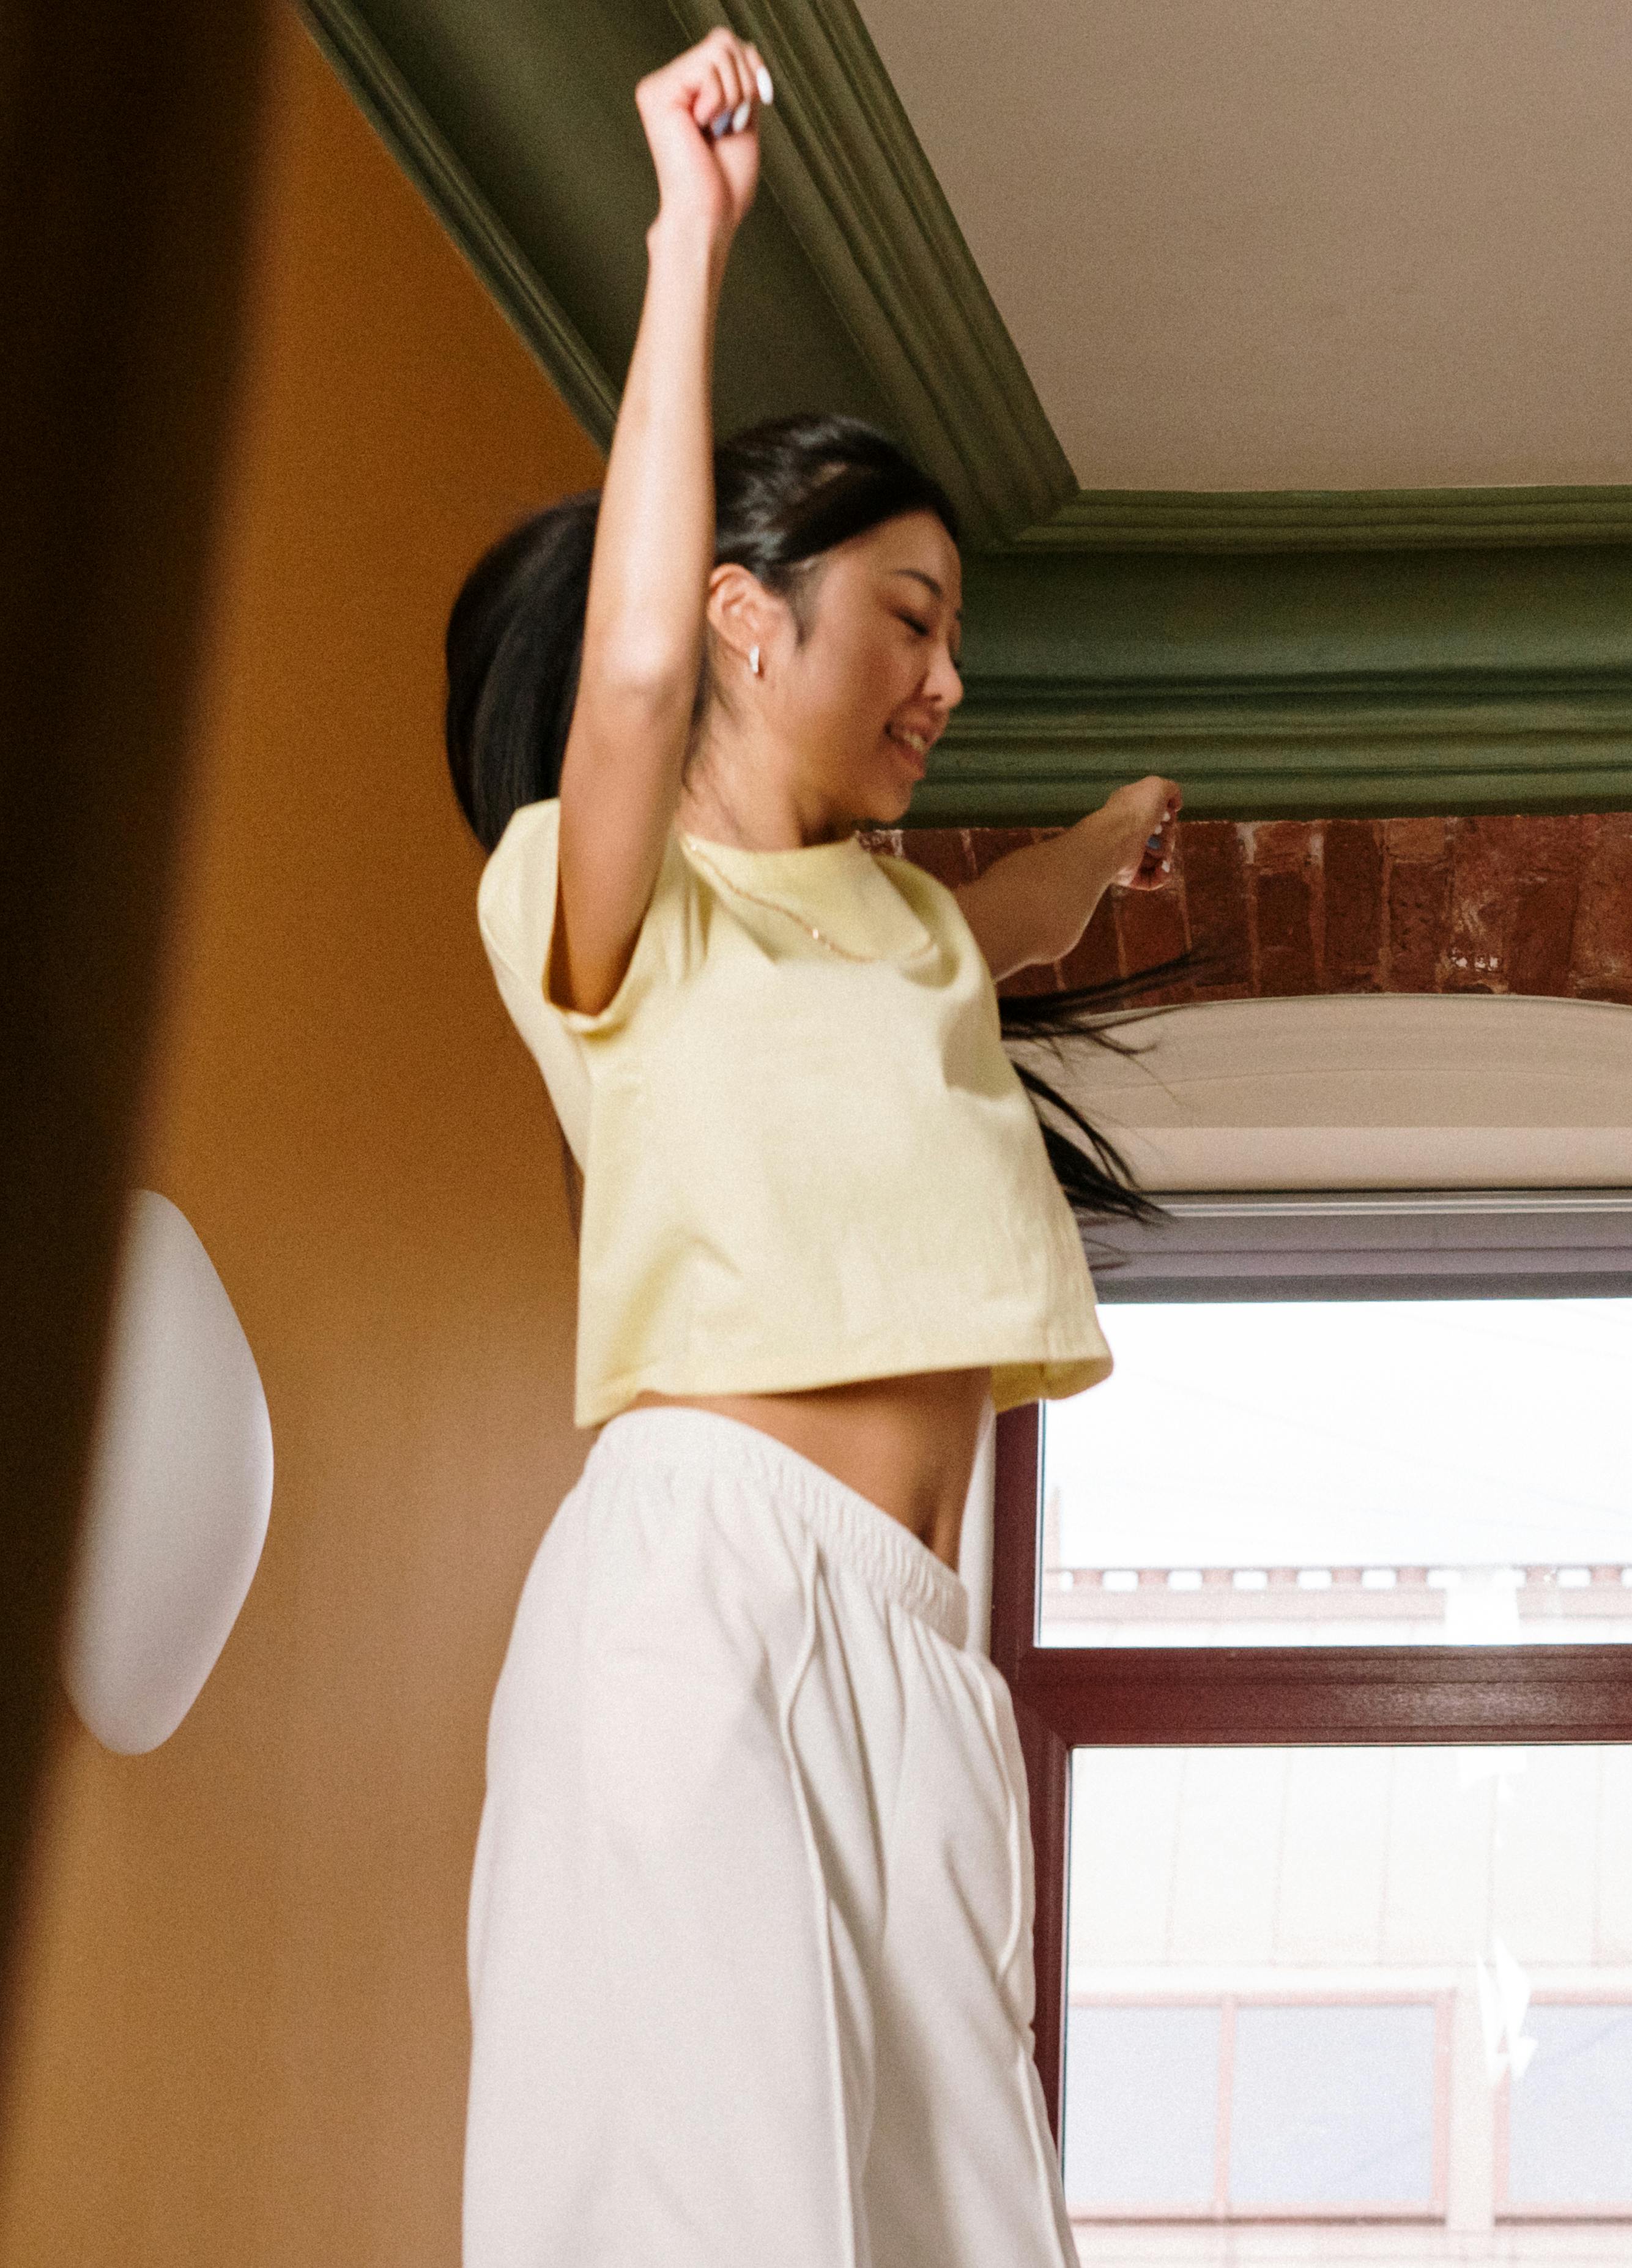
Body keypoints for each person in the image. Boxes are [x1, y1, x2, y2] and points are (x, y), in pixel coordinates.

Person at [443, 32, 1179, 2266]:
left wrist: (1120, 839)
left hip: (916, 1642)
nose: (949, 673)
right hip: (705, 1587)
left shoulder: (897, 932)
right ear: (759, 617)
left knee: (951, 2225)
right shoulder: (606, 895)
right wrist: (691, 241)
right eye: (915, 618)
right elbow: (635, 667)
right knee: (716, 2206)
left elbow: (1008, 920)